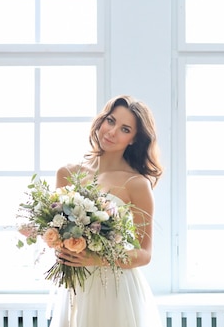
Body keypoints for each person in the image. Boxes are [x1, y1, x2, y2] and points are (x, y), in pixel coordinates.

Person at [50, 95, 164, 327]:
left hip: (115, 289)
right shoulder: (67, 173)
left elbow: (144, 254)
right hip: (75, 287)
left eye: (124, 129)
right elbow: (55, 229)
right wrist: (60, 247)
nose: (112, 132)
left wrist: (94, 258)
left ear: (133, 139)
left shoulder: (136, 184)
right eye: (110, 121)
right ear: (101, 121)